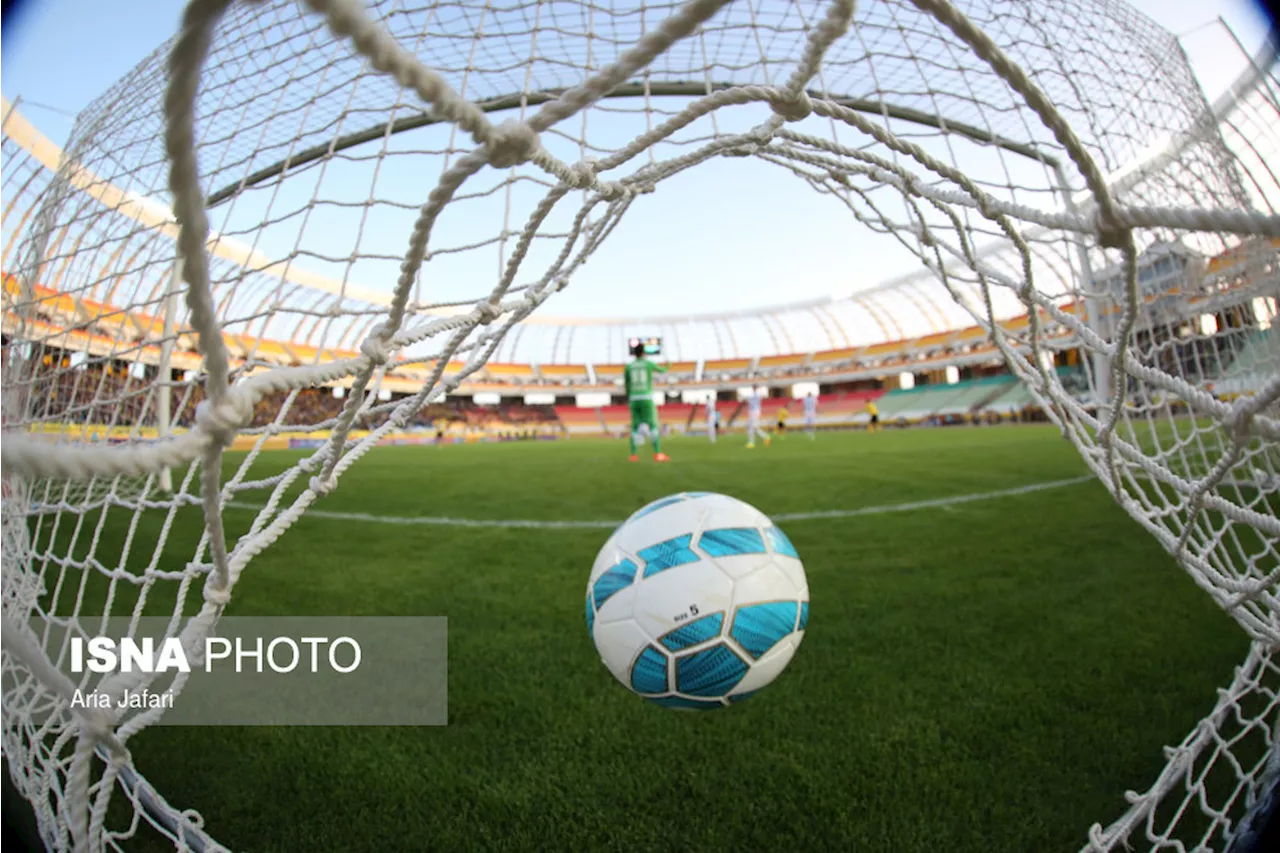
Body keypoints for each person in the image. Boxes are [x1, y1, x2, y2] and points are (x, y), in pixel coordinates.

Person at [624, 342, 669, 462]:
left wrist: (629, 397)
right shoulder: (648, 364)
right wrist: (668, 365)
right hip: (646, 398)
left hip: (634, 399)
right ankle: (657, 453)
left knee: (634, 427)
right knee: (653, 425)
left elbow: (627, 385)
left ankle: (633, 455)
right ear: (643, 353)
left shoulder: (629, 366)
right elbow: (663, 370)